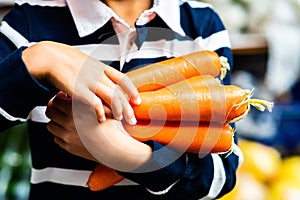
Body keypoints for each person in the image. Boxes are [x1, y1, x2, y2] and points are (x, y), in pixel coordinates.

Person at [0, 0, 243, 199]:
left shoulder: (201, 26)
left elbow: (222, 174)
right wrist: (39, 60)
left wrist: (130, 156)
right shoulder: (28, 24)